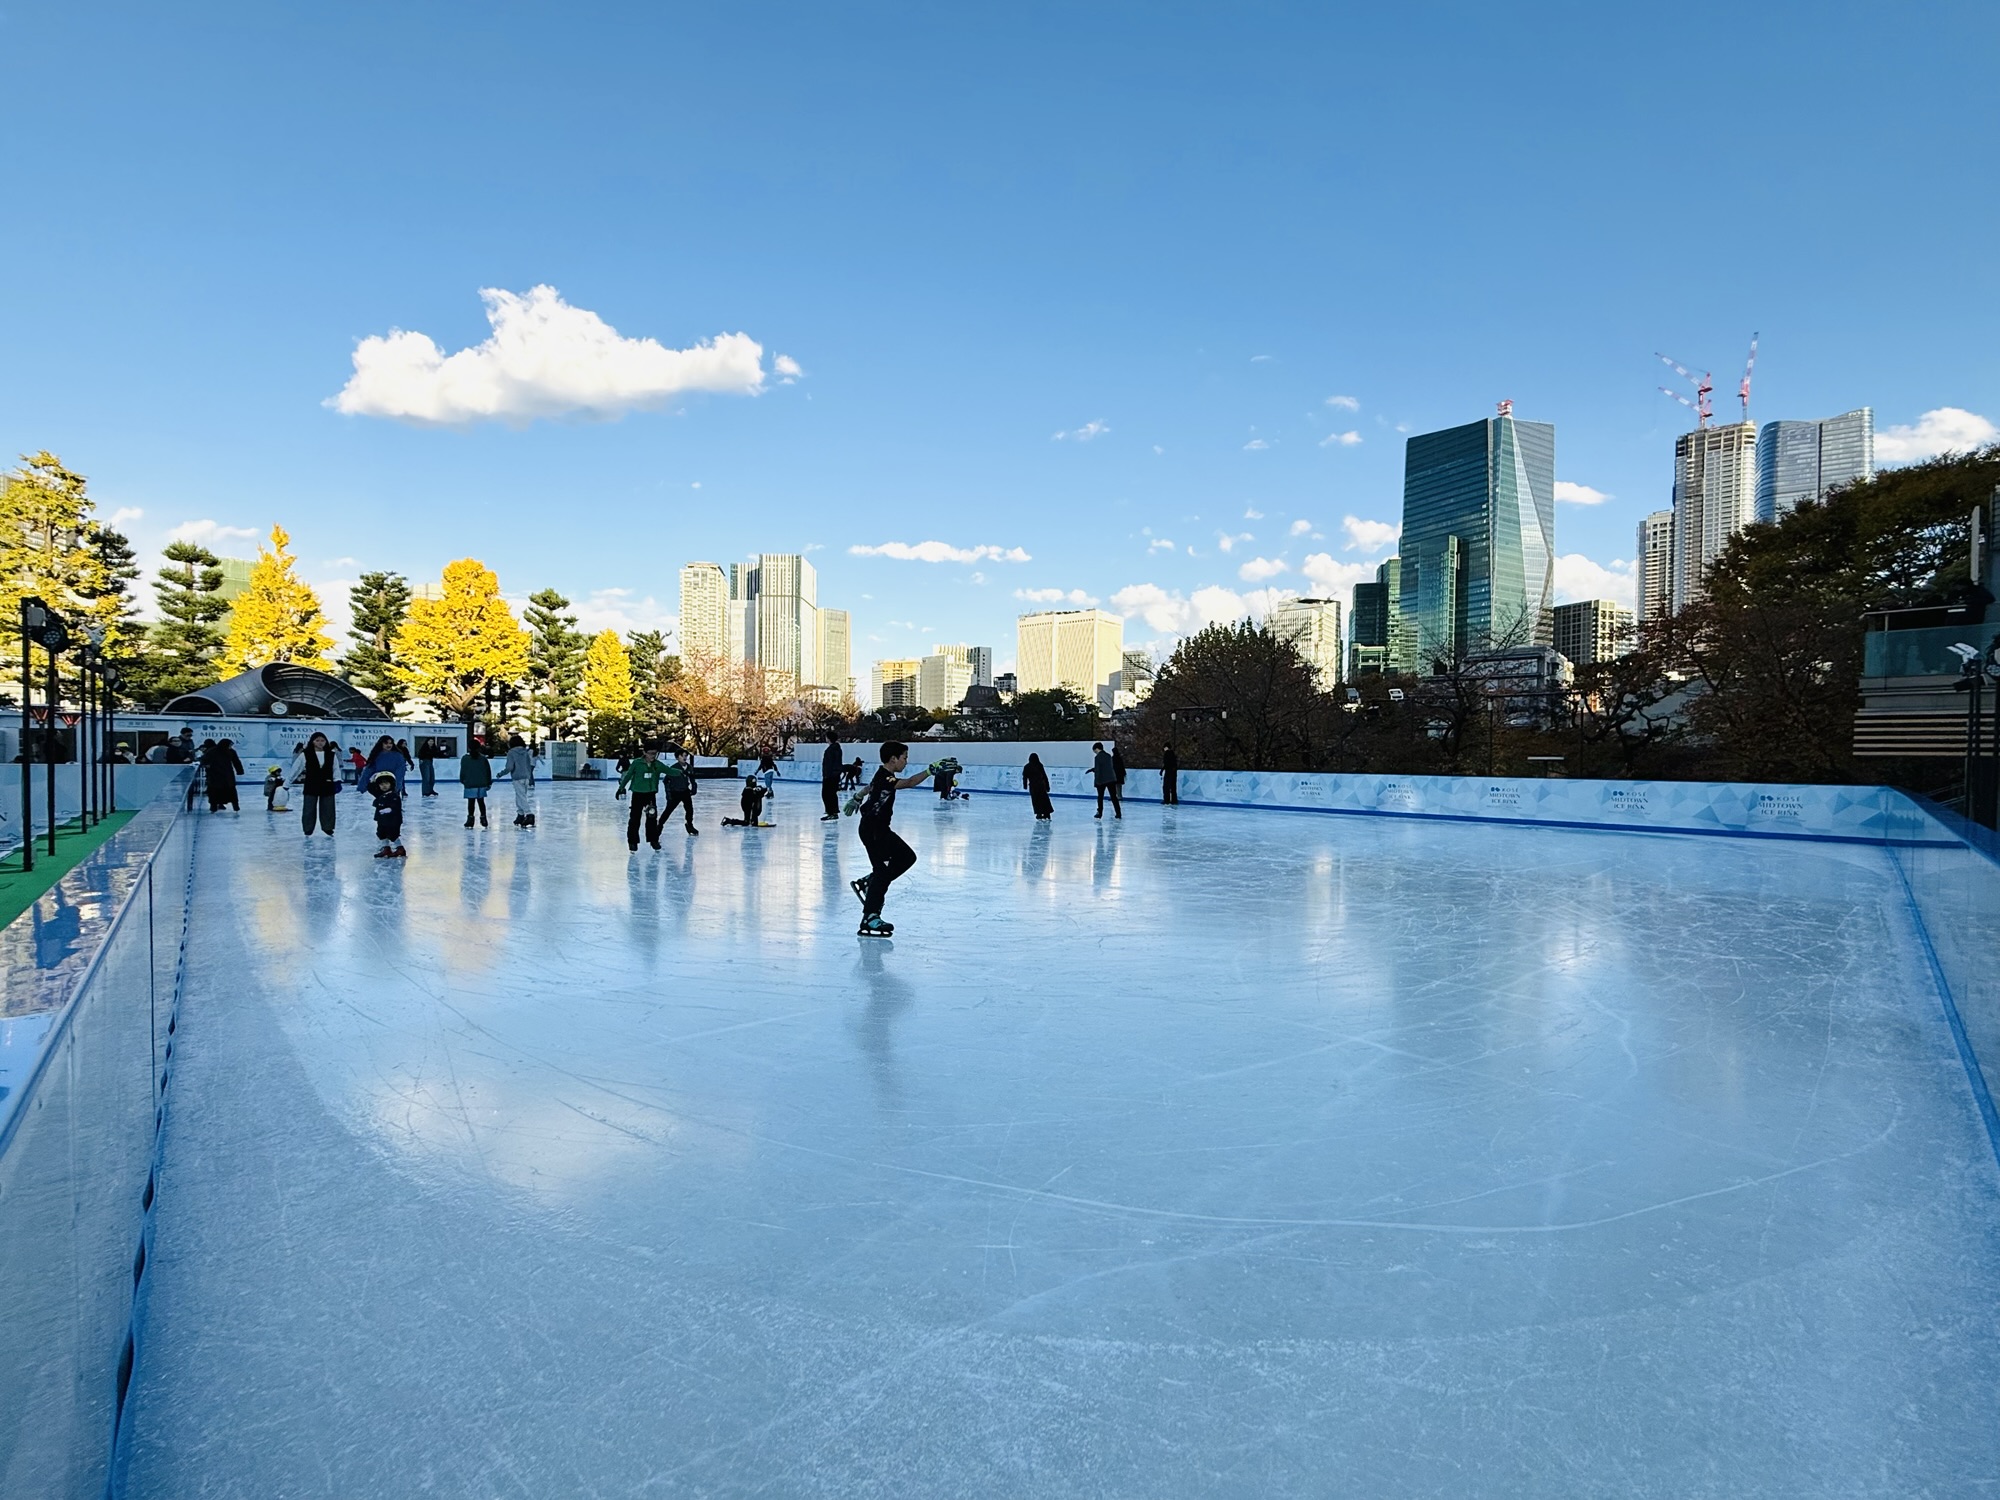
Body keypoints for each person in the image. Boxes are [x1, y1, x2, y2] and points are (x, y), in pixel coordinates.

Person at [849, 740, 935, 939]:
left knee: (907, 857)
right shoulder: (886, 777)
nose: (906, 761)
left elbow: (871, 787)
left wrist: (857, 797)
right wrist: (930, 771)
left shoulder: (883, 775)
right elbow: (909, 783)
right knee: (882, 871)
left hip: (879, 829)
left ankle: (869, 883)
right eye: (904, 757)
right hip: (874, 831)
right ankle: (870, 916)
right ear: (893, 759)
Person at [616, 746, 670, 851]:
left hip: (650, 794)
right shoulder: (637, 763)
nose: (653, 756)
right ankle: (632, 841)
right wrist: (620, 788)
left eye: (655, 753)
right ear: (644, 752)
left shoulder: (657, 764)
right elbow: (628, 776)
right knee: (635, 818)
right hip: (637, 794)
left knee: (652, 818)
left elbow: (669, 770)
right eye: (650, 753)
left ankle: (653, 840)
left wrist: (682, 771)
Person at [297, 731, 341, 837]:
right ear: (312, 742)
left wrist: (337, 781)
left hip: (327, 784)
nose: (320, 743)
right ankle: (308, 828)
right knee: (309, 808)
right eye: (317, 740)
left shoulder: (331, 755)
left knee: (328, 808)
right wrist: (287, 783)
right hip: (311, 784)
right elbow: (296, 768)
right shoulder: (306, 754)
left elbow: (335, 769)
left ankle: (328, 827)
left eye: (322, 740)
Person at [658, 748, 699, 836]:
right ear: (677, 757)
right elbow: (666, 781)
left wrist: (694, 787)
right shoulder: (673, 768)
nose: (684, 758)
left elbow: (692, 778)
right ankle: (659, 825)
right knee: (668, 810)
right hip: (675, 792)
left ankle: (689, 825)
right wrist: (668, 794)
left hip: (685, 791)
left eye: (685, 756)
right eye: (682, 756)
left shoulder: (689, 767)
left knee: (689, 810)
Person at [368, 771, 407, 859]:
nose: (384, 786)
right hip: (382, 820)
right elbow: (371, 789)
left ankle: (400, 848)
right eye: (381, 784)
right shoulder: (380, 794)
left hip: (393, 821)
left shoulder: (394, 795)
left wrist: (389, 810)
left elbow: (396, 807)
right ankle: (386, 849)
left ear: (391, 784)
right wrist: (372, 781)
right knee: (381, 834)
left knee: (393, 835)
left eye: (386, 783)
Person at [460, 739, 493, 828]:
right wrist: (488, 782)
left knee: (471, 802)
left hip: (470, 783)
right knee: (481, 801)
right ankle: (483, 818)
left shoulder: (465, 758)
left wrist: (463, 780)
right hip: (481, 783)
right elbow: (487, 771)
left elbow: (463, 771)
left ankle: (470, 819)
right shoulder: (483, 758)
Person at [205, 738, 244, 812]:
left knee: (231, 791)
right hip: (215, 775)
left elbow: (236, 761)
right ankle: (213, 807)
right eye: (229, 745)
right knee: (214, 791)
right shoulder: (212, 751)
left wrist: (240, 771)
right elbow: (205, 760)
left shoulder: (231, 751)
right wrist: (207, 767)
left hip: (227, 775)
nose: (230, 747)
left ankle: (236, 806)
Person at [505, 734, 536, 828]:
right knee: (520, 796)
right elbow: (528, 765)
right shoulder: (525, 752)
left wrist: (502, 773)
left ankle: (529, 814)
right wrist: (529, 776)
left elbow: (510, 767)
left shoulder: (511, 752)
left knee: (521, 796)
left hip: (517, 777)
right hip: (526, 777)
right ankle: (520, 815)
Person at [1091, 741, 1121, 820]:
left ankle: (1099, 813)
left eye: (1094, 751)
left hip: (1101, 780)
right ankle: (1118, 813)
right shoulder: (1108, 756)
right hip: (1111, 779)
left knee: (1100, 797)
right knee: (1114, 797)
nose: (1094, 752)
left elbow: (1098, 770)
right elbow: (1107, 767)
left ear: (1097, 749)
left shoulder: (1097, 757)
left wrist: (1096, 782)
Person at [1023, 752, 1054, 820]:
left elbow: (1025, 777)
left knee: (1036, 800)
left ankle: (1039, 813)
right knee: (1044, 800)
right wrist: (1047, 786)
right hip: (1041, 786)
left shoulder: (1026, 767)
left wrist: (1025, 785)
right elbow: (1044, 776)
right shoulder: (1039, 765)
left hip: (1033, 786)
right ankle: (1047, 813)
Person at [820, 736, 844, 821]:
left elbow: (829, 764)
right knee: (832, 794)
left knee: (826, 794)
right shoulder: (837, 749)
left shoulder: (830, 750)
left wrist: (827, 775)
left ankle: (831, 812)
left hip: (830, 776)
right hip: (834, 775)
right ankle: (833, 811)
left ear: (828, 739)